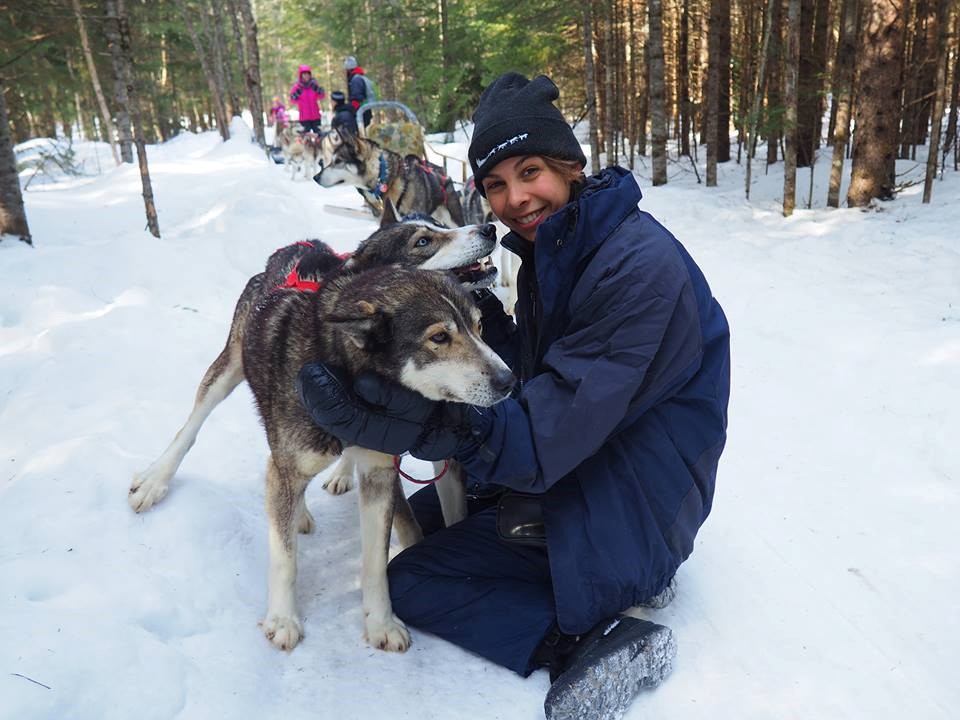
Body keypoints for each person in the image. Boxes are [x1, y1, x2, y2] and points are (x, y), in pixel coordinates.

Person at [296, 73, 730, 720]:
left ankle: (593, 637)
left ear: (569, 166)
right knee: (424, 515)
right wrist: (473, 315)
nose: (516, 198)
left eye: (530, 172)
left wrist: (421, 423)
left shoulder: (637, 269)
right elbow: (536, 372)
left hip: (632, 501)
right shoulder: (563, 248)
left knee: (410, 579)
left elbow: (550, 426)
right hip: (600, 464)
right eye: (495, 185)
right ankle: (580, 561)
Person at [289, 64, 325, 134]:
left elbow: (322, 96)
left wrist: (320, 90)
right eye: (304, 74)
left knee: (318, 136)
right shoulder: (297, 86)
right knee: (305, 138)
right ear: (301, 75)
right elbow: (292, 100)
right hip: (304, 117)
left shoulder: (314, 84)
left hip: (316, 116)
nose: (306, 76)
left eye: (308, 74)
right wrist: (296, 94)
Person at [344, 55, 374, 129]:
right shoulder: (361, 78)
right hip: (366, 110)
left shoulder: (356, 80)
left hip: (361, 112)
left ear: (348, 69)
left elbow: (356, 99)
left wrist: (351, 111)